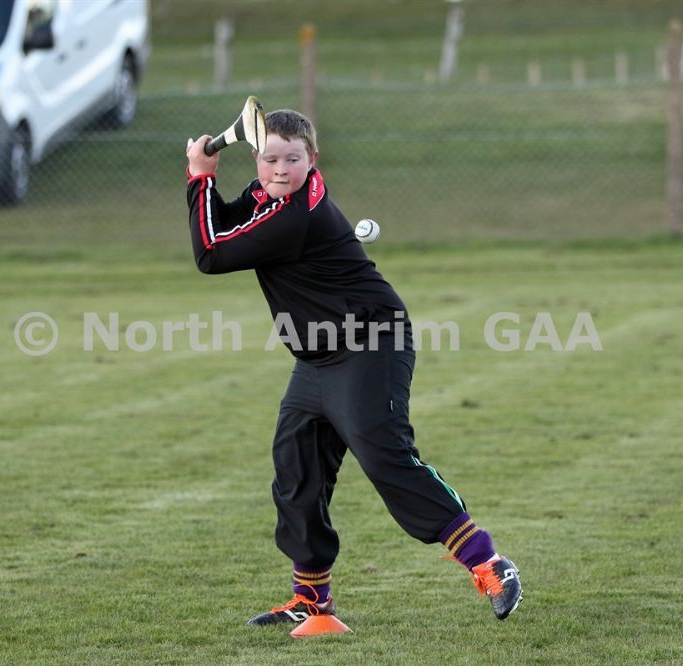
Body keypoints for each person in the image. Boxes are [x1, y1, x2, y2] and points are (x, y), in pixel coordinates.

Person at [184, 109, 522, 624]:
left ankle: (489, 562)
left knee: (384, 455)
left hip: (372, 343)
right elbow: (224, 223)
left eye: (292, 159)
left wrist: (200, 176)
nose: (280, 169)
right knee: (297, 472)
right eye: (270, 159)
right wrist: (206, 182)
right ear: (255, 159)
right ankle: (311, 601)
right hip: (316, 358)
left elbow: (210, 253)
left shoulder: (295, 215)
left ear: (312, 159)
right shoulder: (265, 196)